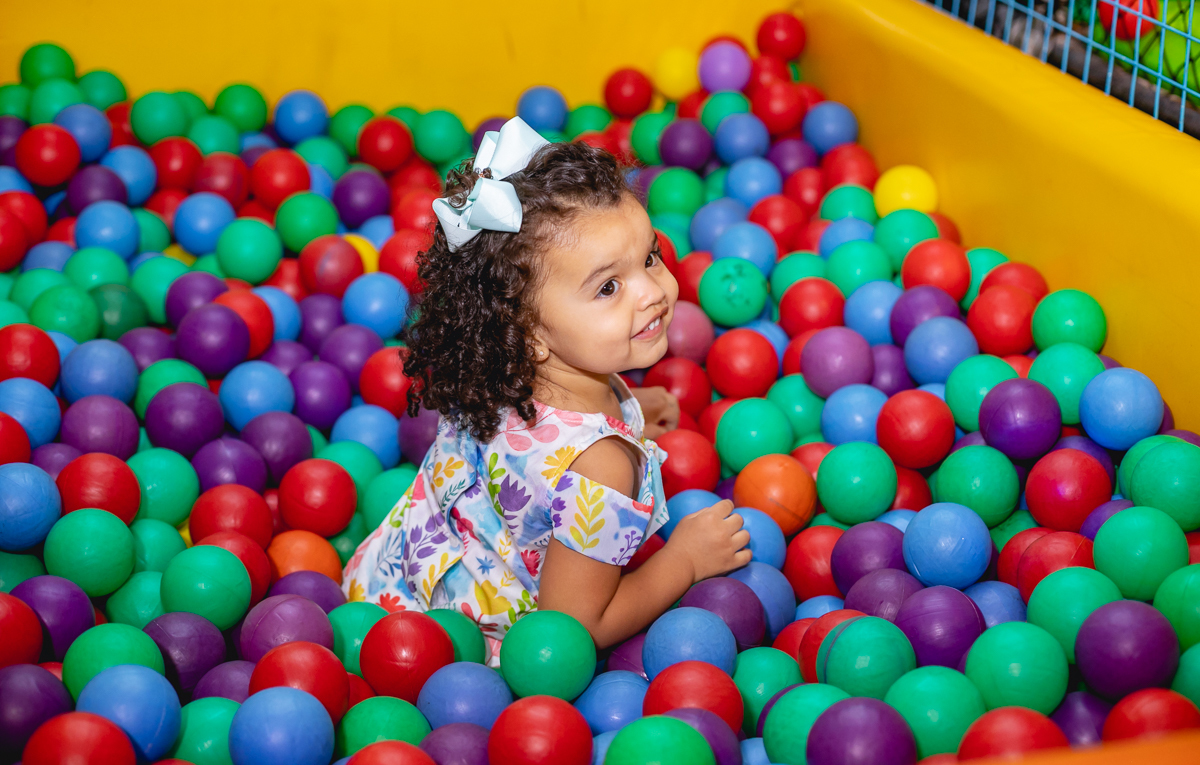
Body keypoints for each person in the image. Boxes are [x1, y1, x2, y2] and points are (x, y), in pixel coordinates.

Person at [342, 117, 749, 664]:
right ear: (529, 333)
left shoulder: (495, 373)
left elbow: (537, 457)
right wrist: (685, 561)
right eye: (608, 286)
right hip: (459, 653)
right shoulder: (603, 465)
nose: (653, 291)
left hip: (386, 587)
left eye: (650, 257)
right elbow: (576, 623)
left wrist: (629, 408)